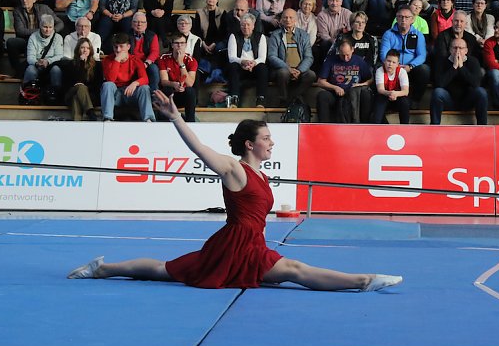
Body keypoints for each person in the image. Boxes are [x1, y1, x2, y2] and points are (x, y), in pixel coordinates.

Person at [68, 109, 403, 292]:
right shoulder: (233, 169)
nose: (272, 142)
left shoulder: (261, 174)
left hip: (250, 243)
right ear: (248, 144)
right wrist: (176, 118)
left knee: (164, 270)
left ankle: (103, 269)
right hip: (235, 245)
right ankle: (363, 281)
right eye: (266, 138)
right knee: (164, 270)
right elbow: (199, 148)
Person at [430, 37, 488, 125]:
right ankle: (434, 126)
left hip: (467, 100)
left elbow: (476, 83)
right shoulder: (442, 61)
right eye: (455, 47)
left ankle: (483, 127)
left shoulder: (473, 61)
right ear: (450, 49)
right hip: (448, 100)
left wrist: (461, 68)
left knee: (481, 92)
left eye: (460, 48)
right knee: (438, 92)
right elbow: (439, 84)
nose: (457, 50)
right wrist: (454, 67)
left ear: (466, 51)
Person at [100, 32, 155, 122]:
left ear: (128, 47)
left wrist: (135, 83)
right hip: (115, 94)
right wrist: (117, 60)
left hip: (131, 92)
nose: (118, 50)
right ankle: (107, 118)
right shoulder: (107, 60)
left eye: (121, 46)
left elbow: (145, 79)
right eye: (115, 47)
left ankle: (148, 119)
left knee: (144, 88)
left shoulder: (136, 60)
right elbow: (111, 79)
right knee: (108, 85)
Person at [380, 6, 429, 105]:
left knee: (425, 70)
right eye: (400, 17)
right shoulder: (388, 34)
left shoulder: (418, 35)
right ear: (396, 18)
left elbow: (422, 55)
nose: (403, 20)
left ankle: (415, 101)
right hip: (392, 67)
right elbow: (383, 54)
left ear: (412, 19)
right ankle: (385, 100)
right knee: (378, 68)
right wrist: (394, 65)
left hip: (410, 68)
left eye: (407, 17)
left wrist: (410, 66)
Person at [267, 8, 317, 106]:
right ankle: (283, 99)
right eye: (285, 17)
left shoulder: (304, 35)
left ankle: (291, 98)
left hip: (299, 69)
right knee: (283, 73)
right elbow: (272, 56)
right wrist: (288, 68)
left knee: (311, 75)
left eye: (291, 17)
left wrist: (299, 70)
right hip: (283, 68)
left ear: (296, 20)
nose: (288, 20)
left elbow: (309, 57)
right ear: (281, 20)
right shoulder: (275, 35)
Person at [316, 37, 372, 122]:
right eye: (342, 55)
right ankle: (324, 126)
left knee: (366, 94)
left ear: (352, 50)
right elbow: (320, 81)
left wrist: (361, 85)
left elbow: (370, 79)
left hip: (354, 95)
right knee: (322, 96)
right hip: (336, 94)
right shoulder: (330, 60)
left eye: (348, 55)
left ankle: (365, 125)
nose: (345, 58)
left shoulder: (359, 61)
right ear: (338, 51)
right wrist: (335, 88)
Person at [9, 0, 63, 76]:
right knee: (11, 42)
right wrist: (39, 31)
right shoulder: (17, 11)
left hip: (44, 38)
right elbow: (20, 30)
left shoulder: (44, 8)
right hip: (25, 39)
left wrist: (51, 31)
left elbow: (60, 23)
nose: (24, 0)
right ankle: (18, 71)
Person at [226, 13, 269, 108]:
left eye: (248, 24)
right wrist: (243, 62)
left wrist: (253, 63)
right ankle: (234, 99)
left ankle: (260, 99)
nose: (245, 27)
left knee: (263, 68)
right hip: (240, 66)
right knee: (232, 66)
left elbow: (262, 58)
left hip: (254, 66)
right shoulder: (234, 36)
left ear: (253, 26)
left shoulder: (260, 37)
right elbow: (232, 57)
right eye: (243, 25)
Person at [157, 34, 198, 122]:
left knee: (190, 91)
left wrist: (181, 63)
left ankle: (191, 122)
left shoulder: (191, 61)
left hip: (183, 94)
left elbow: (190, 83)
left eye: (182, 43)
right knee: (167, 89)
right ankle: (164, 120)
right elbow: (164, 81)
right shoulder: (163, 58)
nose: (179, 45)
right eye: (177, 43)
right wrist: (174, 84)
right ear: (172, 45)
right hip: (170, 93)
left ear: (186, 45)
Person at [62, 37, 101, 121]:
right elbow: (77, 81)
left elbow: (97, 84)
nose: (85, 50)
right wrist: (82, 63)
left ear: (90, 50)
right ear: (78, 49)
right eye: (82, 47)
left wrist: (84, 89)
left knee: (76, 97)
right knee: (80, 86)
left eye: (87, 48)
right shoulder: (70, 64)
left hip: (89, 96)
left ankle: (77, 124)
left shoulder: (97, 65)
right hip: (70, 92)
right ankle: (90, 111)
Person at [24, 13, 65, 92]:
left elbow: (59, 56)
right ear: (40, 26)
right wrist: (37, 63)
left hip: (51, 64)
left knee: (56, 70)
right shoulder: (33, 37)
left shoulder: (58, 37)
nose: (48, 30)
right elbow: (30, 57)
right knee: (30, 69)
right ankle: (27, 93)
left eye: (50, 27)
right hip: (37, 64)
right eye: (45, 27)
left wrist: (48, 61)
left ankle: (56, 95)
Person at [373, 49, 410, 124]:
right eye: (388, 61)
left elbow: (406, 91)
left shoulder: (402, 72)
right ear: (384, 61)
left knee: (405, 102)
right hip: (385, 96)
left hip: (398, 98)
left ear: (397, 64)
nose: (390, 64)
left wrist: (395, 94)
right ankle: (377, 127)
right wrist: (390, 93)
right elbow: (380, 89)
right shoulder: (380, 70)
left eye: (393, 62)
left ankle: (405, 127)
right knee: (379, 101)